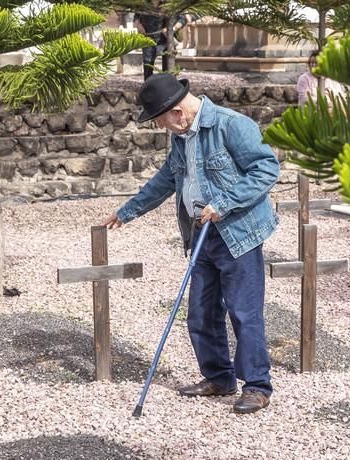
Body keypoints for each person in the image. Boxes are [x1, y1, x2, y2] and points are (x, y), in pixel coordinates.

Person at [102, 74, 280, 414]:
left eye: (160, 121)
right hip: (201, 233)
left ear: (178, 113)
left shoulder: (231, 125)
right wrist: (127, 212)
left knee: (244, 312)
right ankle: (219, 378)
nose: (162, 128)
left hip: (238, 233)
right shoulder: (182, 138)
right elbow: (166, 179)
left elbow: (265, 169)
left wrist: (225, 202)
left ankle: (257, 386)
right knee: (201, 312)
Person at [134, 5, 188, 80]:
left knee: (168, 67)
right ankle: (149, 88)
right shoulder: (144, 4)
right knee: (148, 66)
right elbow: (136, 16)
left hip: (166, 39)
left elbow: (183, 19)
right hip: (148, 38)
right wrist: (138, 25)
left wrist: (172, 28)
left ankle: (170, 86)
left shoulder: (169, 4)